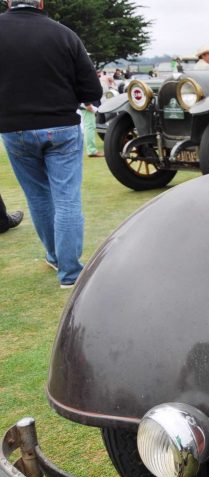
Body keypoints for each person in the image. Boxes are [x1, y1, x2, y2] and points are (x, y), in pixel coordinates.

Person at [0, 0, 102, 287]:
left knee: (38, 197)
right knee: (67, 198)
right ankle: (69, 272)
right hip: (61, 126)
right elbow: (91, 90)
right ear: (41, 2)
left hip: (15, 127)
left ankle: (56, 257)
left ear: (9, 1)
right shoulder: (64, 34)